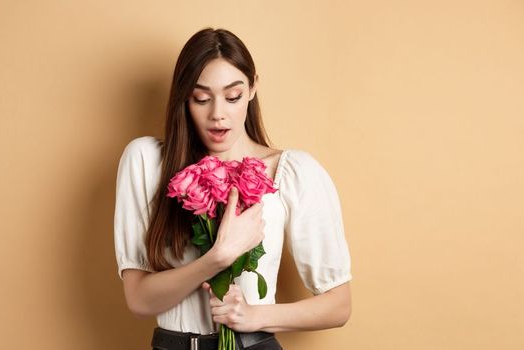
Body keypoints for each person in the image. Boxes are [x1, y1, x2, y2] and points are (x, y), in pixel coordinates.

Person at [114, 27, 352, 350]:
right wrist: (216, 258)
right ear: (184, 97)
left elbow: (339, 304)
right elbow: (139, 300)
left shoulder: (292, 173)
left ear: (253, 89)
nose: (218, 114)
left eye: (233, 96)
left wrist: (254, 316)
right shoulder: (147, 163)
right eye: (201, 98)